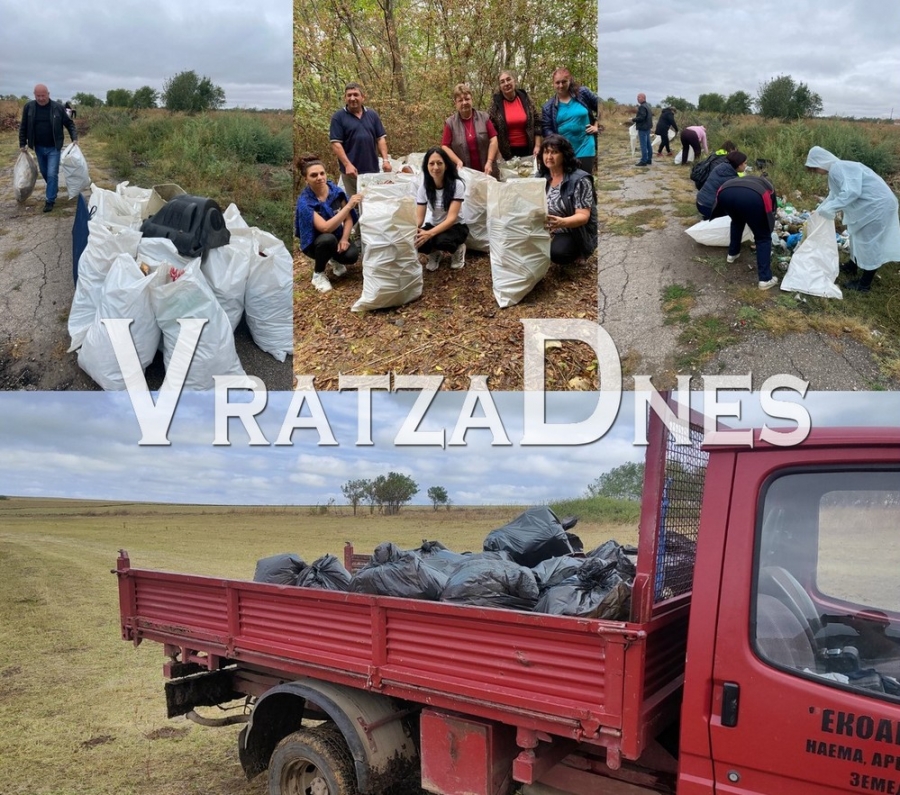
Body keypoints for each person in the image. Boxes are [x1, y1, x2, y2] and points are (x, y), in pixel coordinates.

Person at [805, 145, 900, 293]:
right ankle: (852, 266)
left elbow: (852, 192)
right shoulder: (836, 170)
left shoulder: (838, 168)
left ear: (821, 162)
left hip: (878, 206)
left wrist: (830, 209)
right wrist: (818, 211)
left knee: (869, 242)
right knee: (856, 236)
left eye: (815, 168)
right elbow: (834, 196)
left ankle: (864, 284)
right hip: (873, 205)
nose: (816, 172)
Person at [295, 154, 362, 294]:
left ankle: (333, 259)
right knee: (327, 239)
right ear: (306, 179)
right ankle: (318, 274)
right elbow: (325, 227)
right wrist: (349, 206)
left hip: (337, 235)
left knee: (351, 256)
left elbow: (348, 219)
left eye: (322, 173)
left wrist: (344, 238)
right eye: (313, 175)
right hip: (315, 242)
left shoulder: (335, 192)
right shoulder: (305, 202)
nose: (319, 177)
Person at [710, 175, 779, 290]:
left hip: (725, 192)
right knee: (763, 237)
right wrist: (767, 228)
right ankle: (765, 279)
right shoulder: (769, 187)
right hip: (752, 197)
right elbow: (771, 210)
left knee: (737, 221)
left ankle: (732, 254)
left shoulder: (748, 179)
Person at [538, 134, 597, 266]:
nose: (549, 157)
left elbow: (583, 216)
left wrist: (561, 222)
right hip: (547, 226)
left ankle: (580, 250)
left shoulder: (579, 180)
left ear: (564, 155)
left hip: (572, 229)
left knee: (558, 253)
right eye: (546, 152)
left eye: (554, 152)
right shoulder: (541, 176)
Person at [18, 83, 78, 212]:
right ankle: (53, 187)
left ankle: (50, 200)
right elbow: (23, 126)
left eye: (43, 95)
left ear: (48, 94)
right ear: (34, 95)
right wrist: (22, 144)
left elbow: (69, 124)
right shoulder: (29, 107)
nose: (40, 98)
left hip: (54, 147)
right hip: (38, 146)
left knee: (52, 174)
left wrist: (74, 138)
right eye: (38, 96)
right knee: (45, 172)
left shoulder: (57, 108)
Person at [329, 83, 392, 196]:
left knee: (372, 201)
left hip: (372, 169)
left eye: (355, 95)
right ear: (345, 98)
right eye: (349, 95)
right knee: (355, 203)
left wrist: (385, 160)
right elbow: (336, 144)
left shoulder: (372, 115)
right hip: (351, 172)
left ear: (363, 97)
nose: (352, 98)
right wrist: (347, 164)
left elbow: (380, 139)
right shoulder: (338, 117)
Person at [415, 147, 469, 272]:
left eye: (439, 163)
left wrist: (429, 234)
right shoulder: (423, 189)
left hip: (455, 226)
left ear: (446, 165)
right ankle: (435, 254)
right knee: (415, 239)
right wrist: (410, 231)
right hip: (434, 224)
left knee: (442, 241)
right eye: (431, 163)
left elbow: (451, 218)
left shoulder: (457, 185)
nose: (435, 167)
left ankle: (458, 249)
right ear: (426, 166)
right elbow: (419, 219)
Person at [542, 68, 601, 173]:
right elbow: (547, 129)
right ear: (553, 84)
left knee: (584, 178)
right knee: (568, 181)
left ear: (569, 80)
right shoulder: (548, 107)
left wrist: (597, 125)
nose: (561, 85)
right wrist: (556, 144)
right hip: (564, 151)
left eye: (564, 81)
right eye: (557, 82)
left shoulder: (583, 93)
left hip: (586, 146)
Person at [442, 84, 500, 178]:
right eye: (460, 100)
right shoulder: (450, 123)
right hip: (465, 175)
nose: (464, 102)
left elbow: (493, 140)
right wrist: (458, 161)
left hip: (488, 171)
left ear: (471, 99)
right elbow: (445, 146)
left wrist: (489, 161)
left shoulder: (484, 117)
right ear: (455, 103)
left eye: (467, 99)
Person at [488, 70, 541, 161]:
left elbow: (537, 122)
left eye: (508, 79)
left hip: (528, 150)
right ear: (500, 86)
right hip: (506, 152)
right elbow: (492, 130)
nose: (506, 83)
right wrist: (498, 153)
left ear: (514, 80)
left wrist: (537, 145)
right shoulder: (496, 104)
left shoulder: (525, 98)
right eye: (502, 82)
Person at [696, 151, 747, 219]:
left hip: (700, 201)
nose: (746, 166)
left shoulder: (721, 167)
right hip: (708, 207)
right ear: (739, 164)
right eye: (745, 163)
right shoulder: (732, 179)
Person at [630, 93, 653, 166]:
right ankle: (649, 159)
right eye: (637, 97)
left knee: (643, 145)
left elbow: (642, 117)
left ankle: (643, 160)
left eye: (639, 97)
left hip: (643, 128)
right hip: (647, 127)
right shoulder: (648, 106)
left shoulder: (642, 107)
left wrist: (633, 119)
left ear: (643, 98)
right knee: (648, 144)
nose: (637, 98)